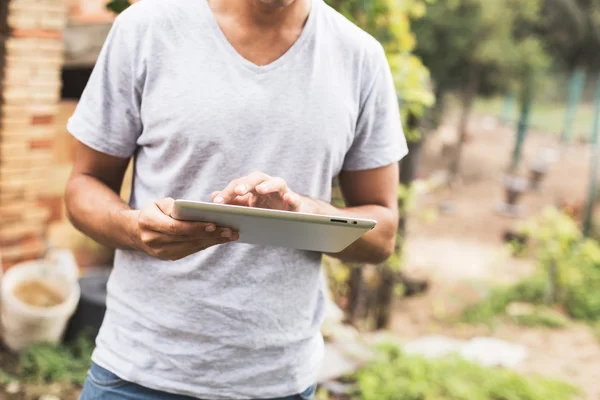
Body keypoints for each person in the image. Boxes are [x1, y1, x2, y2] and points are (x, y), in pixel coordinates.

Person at [65, 0, 407, 398]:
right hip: (136, 374)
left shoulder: (359, 57)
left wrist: (303, 213)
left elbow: (381, 235)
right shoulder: (147, 27)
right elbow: (83, 186)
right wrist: (133, 228)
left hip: (278, 383)